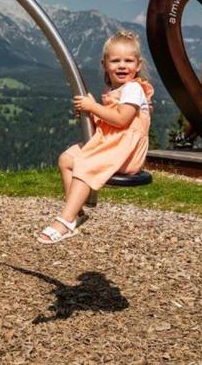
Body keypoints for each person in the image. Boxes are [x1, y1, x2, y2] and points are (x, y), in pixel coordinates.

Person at [38, 30, 154, 244]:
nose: (122, 66)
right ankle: (77, 212)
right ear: (105, 64)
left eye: (128, 61)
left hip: (126, 152)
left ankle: (65, 220)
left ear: (138, 65)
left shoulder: (133, 89)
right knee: (66, 160)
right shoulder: (113, 90)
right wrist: (90, 113)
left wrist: (93, 107)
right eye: (115, 61)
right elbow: (108, 123)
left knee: (84, 164)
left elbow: (121, 120)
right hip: (112, 144)